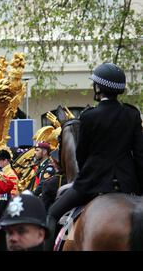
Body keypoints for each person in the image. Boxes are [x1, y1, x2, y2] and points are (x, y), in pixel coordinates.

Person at [46, 62, 143, 250]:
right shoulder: (132, 114)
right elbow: (140, 155)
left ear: (98, 87)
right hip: (129, 182)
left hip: (93, 182)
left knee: (52, 213)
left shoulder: (89, 116)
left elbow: (81, 155)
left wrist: (85, 175)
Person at [0, 149, 19, 251]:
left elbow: (12, 196)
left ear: (6, 161)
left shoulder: (11, 175)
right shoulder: (2, 172)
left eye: (0, 160)